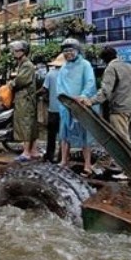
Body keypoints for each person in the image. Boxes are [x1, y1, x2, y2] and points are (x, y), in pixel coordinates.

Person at [82, 46, 131, 143]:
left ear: (104, 59)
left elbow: (105, 91)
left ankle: (129, 158)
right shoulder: (128, 66)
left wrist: (91, 101)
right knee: (123, 136)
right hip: (130, 107)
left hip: (118, 108)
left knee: (122, 141)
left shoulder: (111, 68)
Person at [56, 38, 97, 177]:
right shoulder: (63, 68)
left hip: (81, 104)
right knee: (64, 134)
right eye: (65, 51)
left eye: (70, 50)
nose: (67, 53)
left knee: (85, 135)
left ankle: (87, 164)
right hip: (67, 106)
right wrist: (65, 99)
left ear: (77, 51)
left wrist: (83, 96)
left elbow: (90, 82)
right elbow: (59, 86)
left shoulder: (85, 65)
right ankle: (63, 160)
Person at [8, 40, 39, 161]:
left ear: (23, 52)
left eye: (17, 51)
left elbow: (21, 80)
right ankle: (34, 150)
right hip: (25, 98)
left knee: (26, 123)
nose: (14, 53)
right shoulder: (22, 64)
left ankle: (26, 152)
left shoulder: (27, 65)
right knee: (30, 123)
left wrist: (11, 83)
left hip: (25, 98)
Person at [43, 54, 65, 163]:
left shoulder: (50, 74)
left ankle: (49, 155)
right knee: (63, 136)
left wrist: (48, 100)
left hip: (52, 110)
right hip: (65, 110)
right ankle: (61, 157)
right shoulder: (67, 75)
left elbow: (44, 91)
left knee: (51, 135)